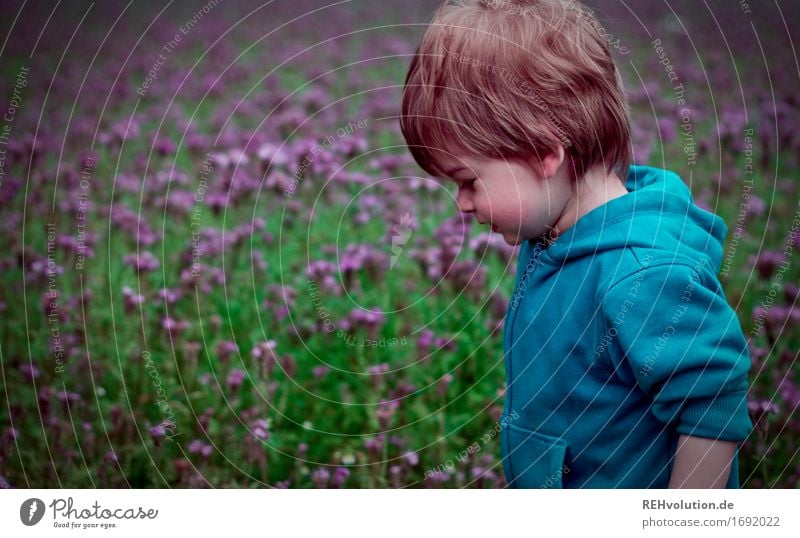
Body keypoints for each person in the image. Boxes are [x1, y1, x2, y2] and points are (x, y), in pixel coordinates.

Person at [399, 0, 752, 488]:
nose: (461, 204)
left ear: (544, 153)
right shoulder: (553, 233)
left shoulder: (642, 273)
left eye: (468, 180)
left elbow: (712, 404)